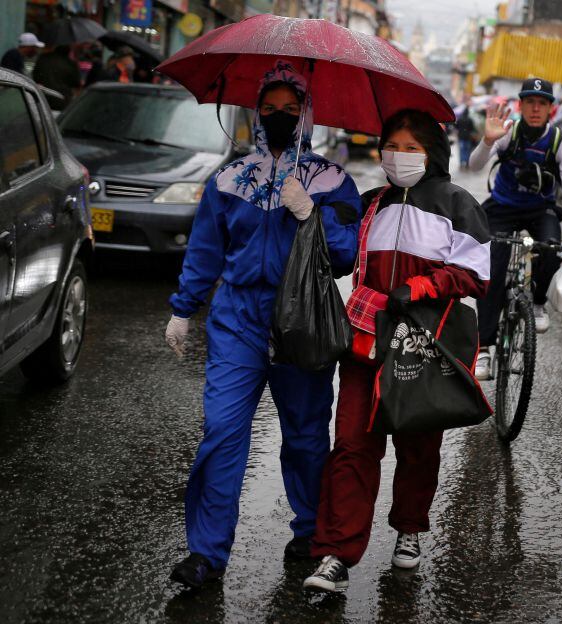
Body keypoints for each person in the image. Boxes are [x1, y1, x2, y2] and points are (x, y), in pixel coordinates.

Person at [164, 61, 362, 589]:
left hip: (303, 319)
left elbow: (347, 254)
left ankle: (310, 532)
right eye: (269, 108)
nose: (278, 117)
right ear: (256, 113)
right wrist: (185, 308)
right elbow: (207, 249)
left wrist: (309, 214)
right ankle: (206, 553)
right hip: (238, 320)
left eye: (290, 109)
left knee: (304, 436)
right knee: (223, 430)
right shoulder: (229, 179)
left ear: (307, 114)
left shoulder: (331, 181)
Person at [303, 109, 491, 592]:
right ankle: (335, 554)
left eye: (411, 148)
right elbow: (339, 253)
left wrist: (425, 286)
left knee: (418, 444)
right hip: (365, 338)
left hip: (424, 344)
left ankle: (409, 527)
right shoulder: (370, 204)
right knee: (351, 445)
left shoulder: (457, 203)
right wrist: (310, 211)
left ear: (431, 153)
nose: (399, 156)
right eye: (392, 146)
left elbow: (477, 273)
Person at [467, 78, 562, 380]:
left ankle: (536, 302)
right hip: (503, 206)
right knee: (490, 268)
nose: (535, 108)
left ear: (551, 109)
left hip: (540, 209)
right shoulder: (508, 133)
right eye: (530, 102)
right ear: (520, 105)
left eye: (542, 103)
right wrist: (488, 141)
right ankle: (484, 347)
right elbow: (474, 166)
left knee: (551, 248)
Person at [32, 44, 81, 110]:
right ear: (68, 51)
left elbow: (36, 77)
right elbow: (76, 83)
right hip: (62, 99)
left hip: (44, 97)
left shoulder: (43, 58)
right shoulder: (70, 63)